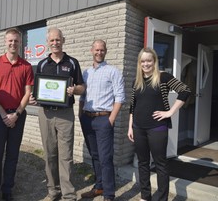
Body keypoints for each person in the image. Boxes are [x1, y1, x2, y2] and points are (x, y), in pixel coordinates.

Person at [127, 47, 191, 201]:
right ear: (139, 63)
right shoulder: (136, 81)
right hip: (138, 127)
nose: (146, 64)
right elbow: (132, 106)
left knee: (160, 164)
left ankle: (162, 198)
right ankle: (145, 196)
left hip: (157, 128)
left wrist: (170, 112)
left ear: (154, 61)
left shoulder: (163, 77)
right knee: (143, 163)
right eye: (143, 61)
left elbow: (185, 90)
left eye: (149, 60)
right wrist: (130, 126)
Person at [29, 27, 85, 201]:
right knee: (50, 154)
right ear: (48, 43)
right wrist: (34, 99)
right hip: (45, 114)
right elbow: (38, 90)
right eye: (52, 40)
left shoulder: (73, 63)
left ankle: (68, 195)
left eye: (58, 40)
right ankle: (53, 191)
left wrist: (75, 89)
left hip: (65, 115)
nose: (55, 43)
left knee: (66, 155)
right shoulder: (42, 64)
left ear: (63, 40)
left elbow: (82, 88)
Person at [0, 28, 34, 201]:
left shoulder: (26, 66)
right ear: (5, 42)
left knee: (12, 155)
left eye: (16, 41)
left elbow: (28, 93)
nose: (13, 43)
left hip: (18, 116)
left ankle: (7, 190)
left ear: (20, 43)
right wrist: (4, 114)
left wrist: (17, 114)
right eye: (10, 40)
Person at [79, 40, 126, 201]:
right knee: (95, 155)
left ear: (106, 51)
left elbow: (120, 97)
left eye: (102, 50)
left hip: (103, 119)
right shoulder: (86, 73)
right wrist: (80, 114)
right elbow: (83, 96)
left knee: (106, 158)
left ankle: (109, 195)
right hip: (87, 118)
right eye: (96, 50)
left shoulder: (113, 71)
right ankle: (99, 187)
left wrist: (111, 119)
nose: (99, 52)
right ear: (91, 50)